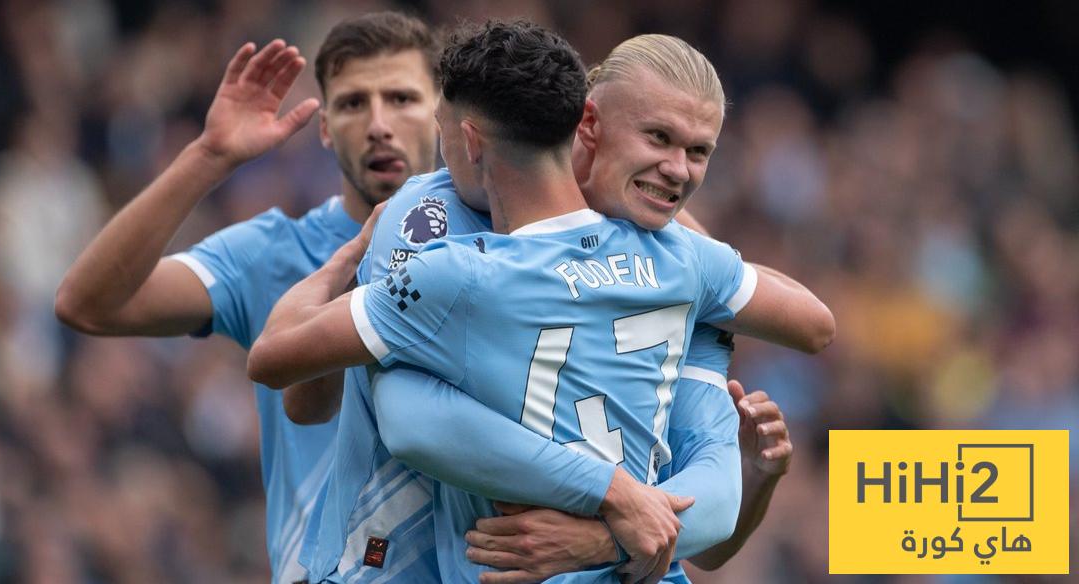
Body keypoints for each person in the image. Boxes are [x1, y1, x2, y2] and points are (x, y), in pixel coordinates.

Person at [248, 22, 832, 584]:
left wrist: (603, 537)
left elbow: (714, 530)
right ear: (587, 123)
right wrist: (614, 499)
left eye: (698, 151)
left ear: (469, 138)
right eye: (658, 137)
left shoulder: (674, 263)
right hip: (399, 560)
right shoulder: (437, 219)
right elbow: (357, 410)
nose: (677, 169)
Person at [53, 12, 440, 582]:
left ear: (441, 112)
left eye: (402, 98)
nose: (379, 124)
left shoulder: (498, 245)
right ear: (325, 128)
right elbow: (87, 304)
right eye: (354, 103)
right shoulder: (272, 253)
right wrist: (209, 155)